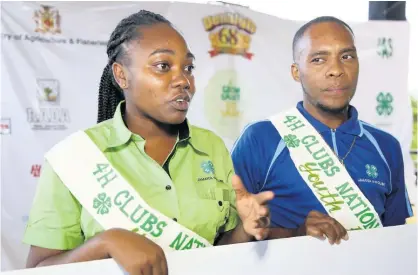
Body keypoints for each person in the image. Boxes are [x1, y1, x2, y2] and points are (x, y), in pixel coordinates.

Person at [23, 10, 273, 274]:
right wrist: (105, 243)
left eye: (188, 68)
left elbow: (219, 252)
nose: (183, 81)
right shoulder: (75, 157)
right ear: (122, 76)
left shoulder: (212, 147)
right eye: (163, 66)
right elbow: (38, 269)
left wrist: (245, 230)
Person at [231, 16, 413, 245]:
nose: (336, 70)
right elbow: (224, 243)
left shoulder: (386, 146)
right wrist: (295, 234)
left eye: (346, 57)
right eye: (318, 59)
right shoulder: (260, 138)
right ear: (296, 72)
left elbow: (394, 241)